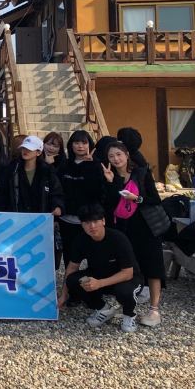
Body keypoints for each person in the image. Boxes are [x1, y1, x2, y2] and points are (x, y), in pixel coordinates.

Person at [102, 141, 165, 327]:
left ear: (127, 154)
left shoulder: (142, 173)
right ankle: (128, 304)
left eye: (118, 154)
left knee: (153, 266)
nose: (116, 159)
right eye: (111, 156)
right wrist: (111, 182)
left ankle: (154, 309)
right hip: (124, 229)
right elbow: (109, 205)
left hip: (147, 226)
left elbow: (155, 199)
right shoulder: (112, 177)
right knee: (129, 266)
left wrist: (137, 198)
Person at [58, 204, 145, 333]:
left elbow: (127, 273)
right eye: (87, 222)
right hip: (99, 275)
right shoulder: (80, 240)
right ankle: (104, 309)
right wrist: (63, 295)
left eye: (95, 221)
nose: (92, 226)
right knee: (73, 280)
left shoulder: (118, 238)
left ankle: (129, 314)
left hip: (126, 278)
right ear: (82, 225)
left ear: (103, 221)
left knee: (125, 291)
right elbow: (72, 267)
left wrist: (99, 283)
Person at [55, 131, 103, 273]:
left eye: (84, 142)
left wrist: (89, 165)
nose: (80, 146)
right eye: (76, 143)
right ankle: (70, 284)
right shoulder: (64, 165)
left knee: (93, 256)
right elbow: (58, 191)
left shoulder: (96, 165)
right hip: (67, 218)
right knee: (69, 256)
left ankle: (94, 285)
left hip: (89, 219)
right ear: (71, 145)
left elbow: (96, 190)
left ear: (90, 145)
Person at [0, 136, 65, 217]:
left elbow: (56, 193)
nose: (25, 151)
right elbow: (1, 195)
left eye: (30, 149)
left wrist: (57, 206)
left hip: (40, 219)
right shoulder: (11, 170)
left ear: (38, 152)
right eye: (24, 148)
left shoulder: (47, 171)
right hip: (15, 219)